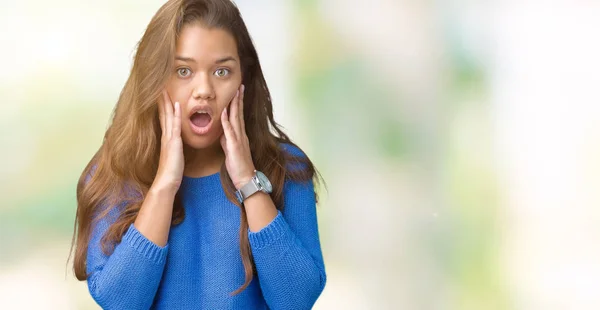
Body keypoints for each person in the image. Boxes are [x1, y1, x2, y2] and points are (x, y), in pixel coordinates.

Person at [70, 0, 327, 308]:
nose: (203, 89)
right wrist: (164, 185)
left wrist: (247, 180)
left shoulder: (286, 168)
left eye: (222, 71)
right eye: (183, 70)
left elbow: (296, 300)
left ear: (243, 79)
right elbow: (119, 302)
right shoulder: (114, 171)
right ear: (154, 78)